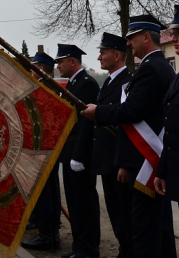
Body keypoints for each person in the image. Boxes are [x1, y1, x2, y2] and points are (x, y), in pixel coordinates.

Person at [82, 15, 177, 258]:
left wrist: (98, 113)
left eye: (132, 38)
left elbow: (132, 111)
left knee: (144, 231)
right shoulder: (158, 66)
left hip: (145, 161)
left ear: (146, 37)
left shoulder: (151, 68)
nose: (129, 44)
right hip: (146, 158)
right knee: (158, 228)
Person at [56, 44, 100, 258]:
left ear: (72, 61)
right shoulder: (73, 84)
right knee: (74, 202)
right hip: (69, 150)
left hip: (79, 153)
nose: (58, 65)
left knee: (84, 203)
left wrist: (79, 155)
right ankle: (78, 247)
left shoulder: (87, 84)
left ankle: (88, 249)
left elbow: (86, 124)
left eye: (61, 61)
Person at [91, 33, 132, 258]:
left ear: (117, 55)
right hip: (108, 161)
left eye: (103, 53)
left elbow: (125, 124)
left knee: (123, 213)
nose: (99, 57)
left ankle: (128, 252)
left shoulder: (126, 82)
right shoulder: (109, 81)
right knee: (116, 213)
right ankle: (124, 250)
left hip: (118, 161)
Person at [21, 52, 61, 251]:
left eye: (34, 67)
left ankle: (48, 235)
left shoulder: (47, 89)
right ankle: (43, 227)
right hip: (40, 149)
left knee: (47, 194)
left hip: (46, 151)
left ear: (41, 69)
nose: (31, 71)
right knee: (42, 193)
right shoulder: (40, 87)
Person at [155, 5, 179, 202]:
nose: (173, 39)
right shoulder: (177, 79)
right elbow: (170, 132)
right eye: (173, 33)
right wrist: (163, 170)